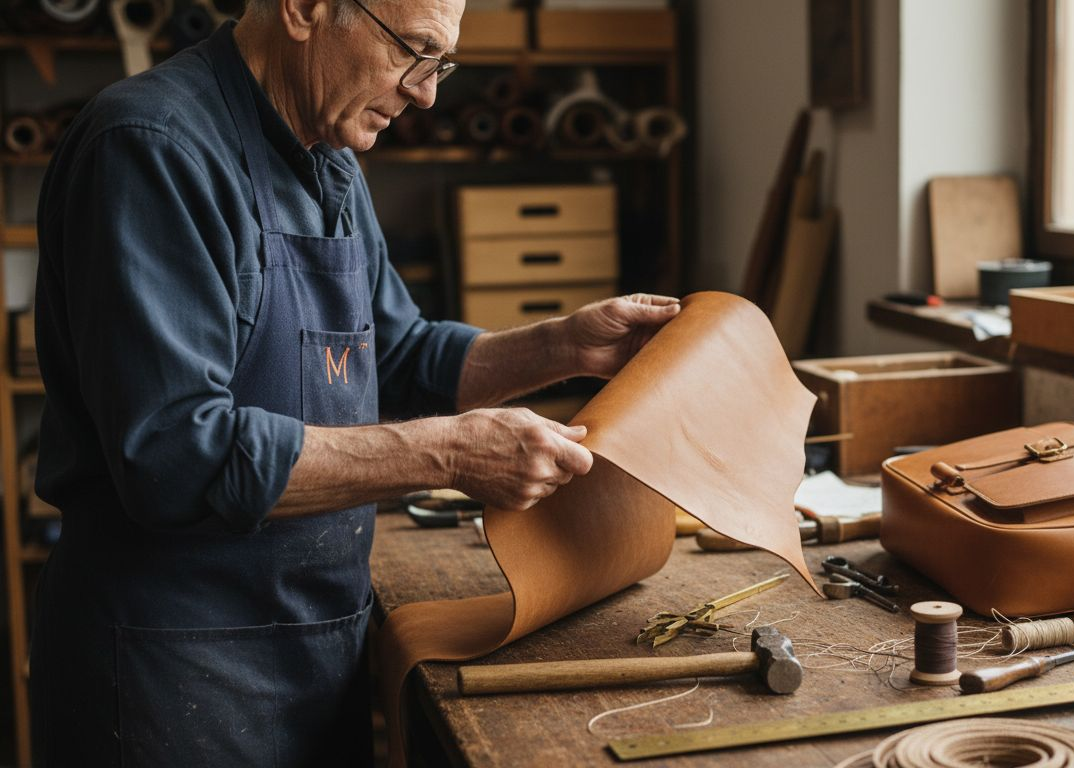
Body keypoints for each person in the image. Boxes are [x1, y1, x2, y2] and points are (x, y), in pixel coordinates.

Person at [28, 0, 679, 764]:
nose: (428, 92)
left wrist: (565, 345)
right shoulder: (152, 148)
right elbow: (175, 454)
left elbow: (397, 359)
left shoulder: (327, 155)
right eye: (414, 50)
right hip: (170, 672)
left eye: (442, 64)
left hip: (312, 651)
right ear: (305, 9)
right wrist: (448, 456)